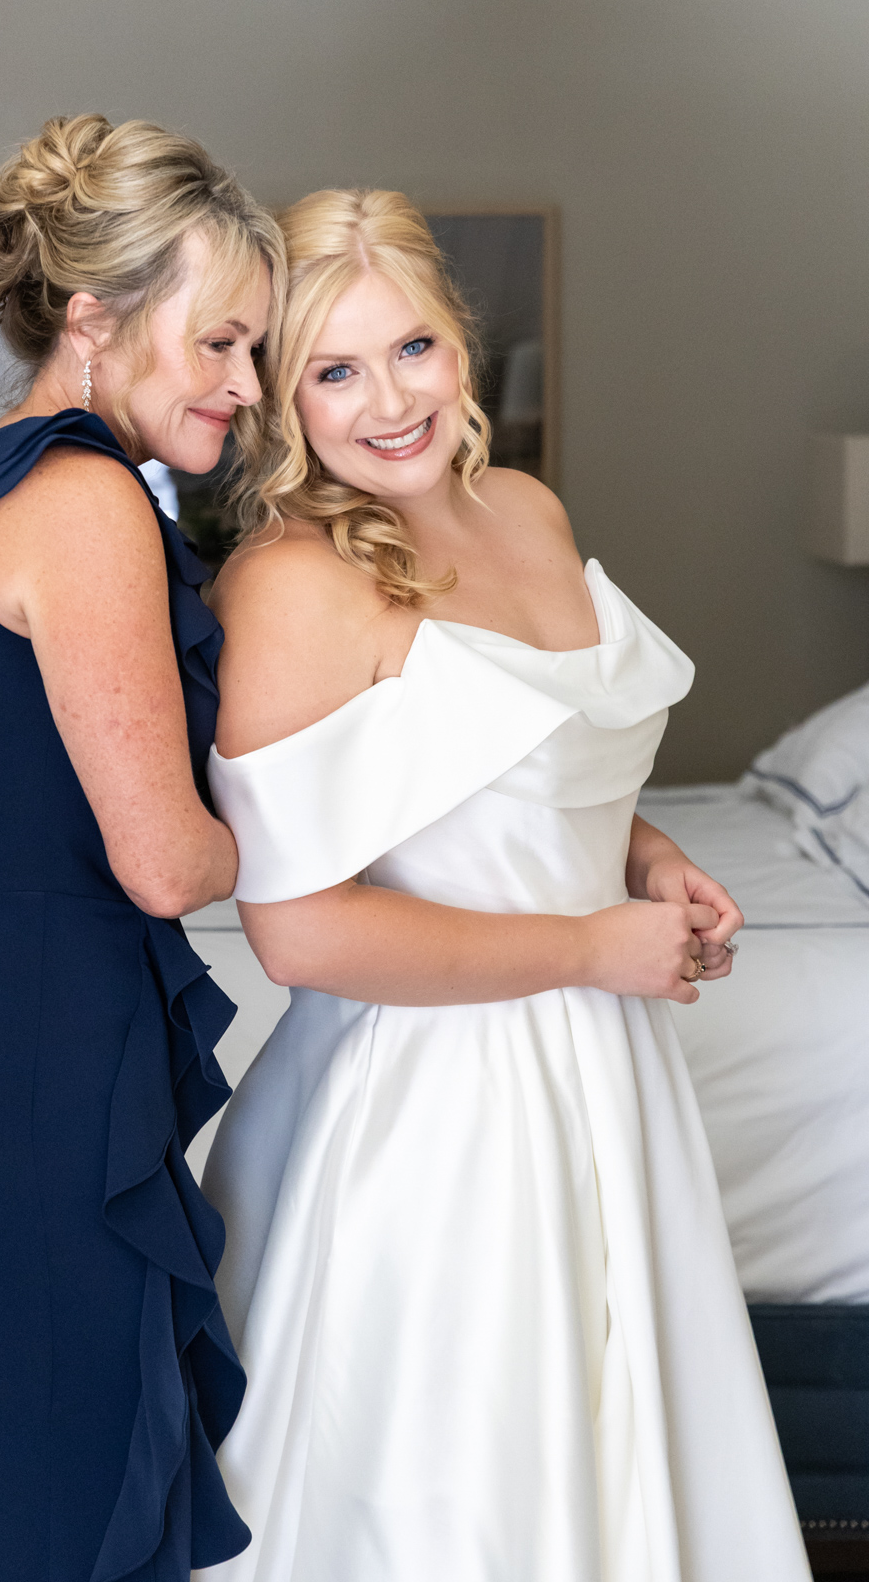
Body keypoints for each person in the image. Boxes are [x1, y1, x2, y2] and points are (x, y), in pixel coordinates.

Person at [196, 189, 810, 1581]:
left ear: (460, 340)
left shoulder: (526, 509)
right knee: (463, 1480)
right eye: (334, 371)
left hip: (609, 1058)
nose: (388, 401)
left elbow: (538, 761)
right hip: (439, 1101)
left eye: (412, 347)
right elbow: (298, 932)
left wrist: (645, 857)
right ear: (283, 397)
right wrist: (593, 945)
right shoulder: (293, 582)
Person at [0, 113, 283, 1582]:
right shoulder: (86, 504)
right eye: (220, 343)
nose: (247, 385)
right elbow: (167, 865)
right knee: (45, 1516)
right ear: (94, 319)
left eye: (257, 349)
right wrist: (307, 838)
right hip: (14, 1077)